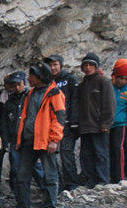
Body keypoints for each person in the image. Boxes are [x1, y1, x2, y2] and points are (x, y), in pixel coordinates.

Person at [11, 62, 66, 208]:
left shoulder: (55, 94)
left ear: (40, 76)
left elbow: (60, 118)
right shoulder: (30, 94)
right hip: (29, 141)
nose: (28, 79)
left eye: (31, 76)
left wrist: (54, 140)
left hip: (45, 141)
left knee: (50, 176)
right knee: (22, 178)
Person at [77, 52, 116, 188]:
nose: (88, 68)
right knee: (86, 155)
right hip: (85, 126)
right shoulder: (81, 86)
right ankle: (90, 180)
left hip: (99, 125)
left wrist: (106, 123)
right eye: (85, 65)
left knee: (101, 153)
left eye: (91, 65)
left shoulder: (103, 82)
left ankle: (103, 179)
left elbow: (110, 103)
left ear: (96, 66)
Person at [44, 54, 81, 192]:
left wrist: (74, 121)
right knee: (51, 155)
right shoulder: (45, 82)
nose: (53, 68)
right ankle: (57, 185)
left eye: (55, 64)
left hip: (67, 123)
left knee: (66, 153)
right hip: (50, 125)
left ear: (60, 65)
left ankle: (72, 183)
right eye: (50, 65)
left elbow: (75, 100)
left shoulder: (69, 79)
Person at [110, 58, 127, 183]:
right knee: (108, 150)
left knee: (118, 148)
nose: (123, 81)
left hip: (121, 123)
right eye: (121, 77)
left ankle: (120, 177)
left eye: (126, 78)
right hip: (107, 123)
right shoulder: (108, 86)